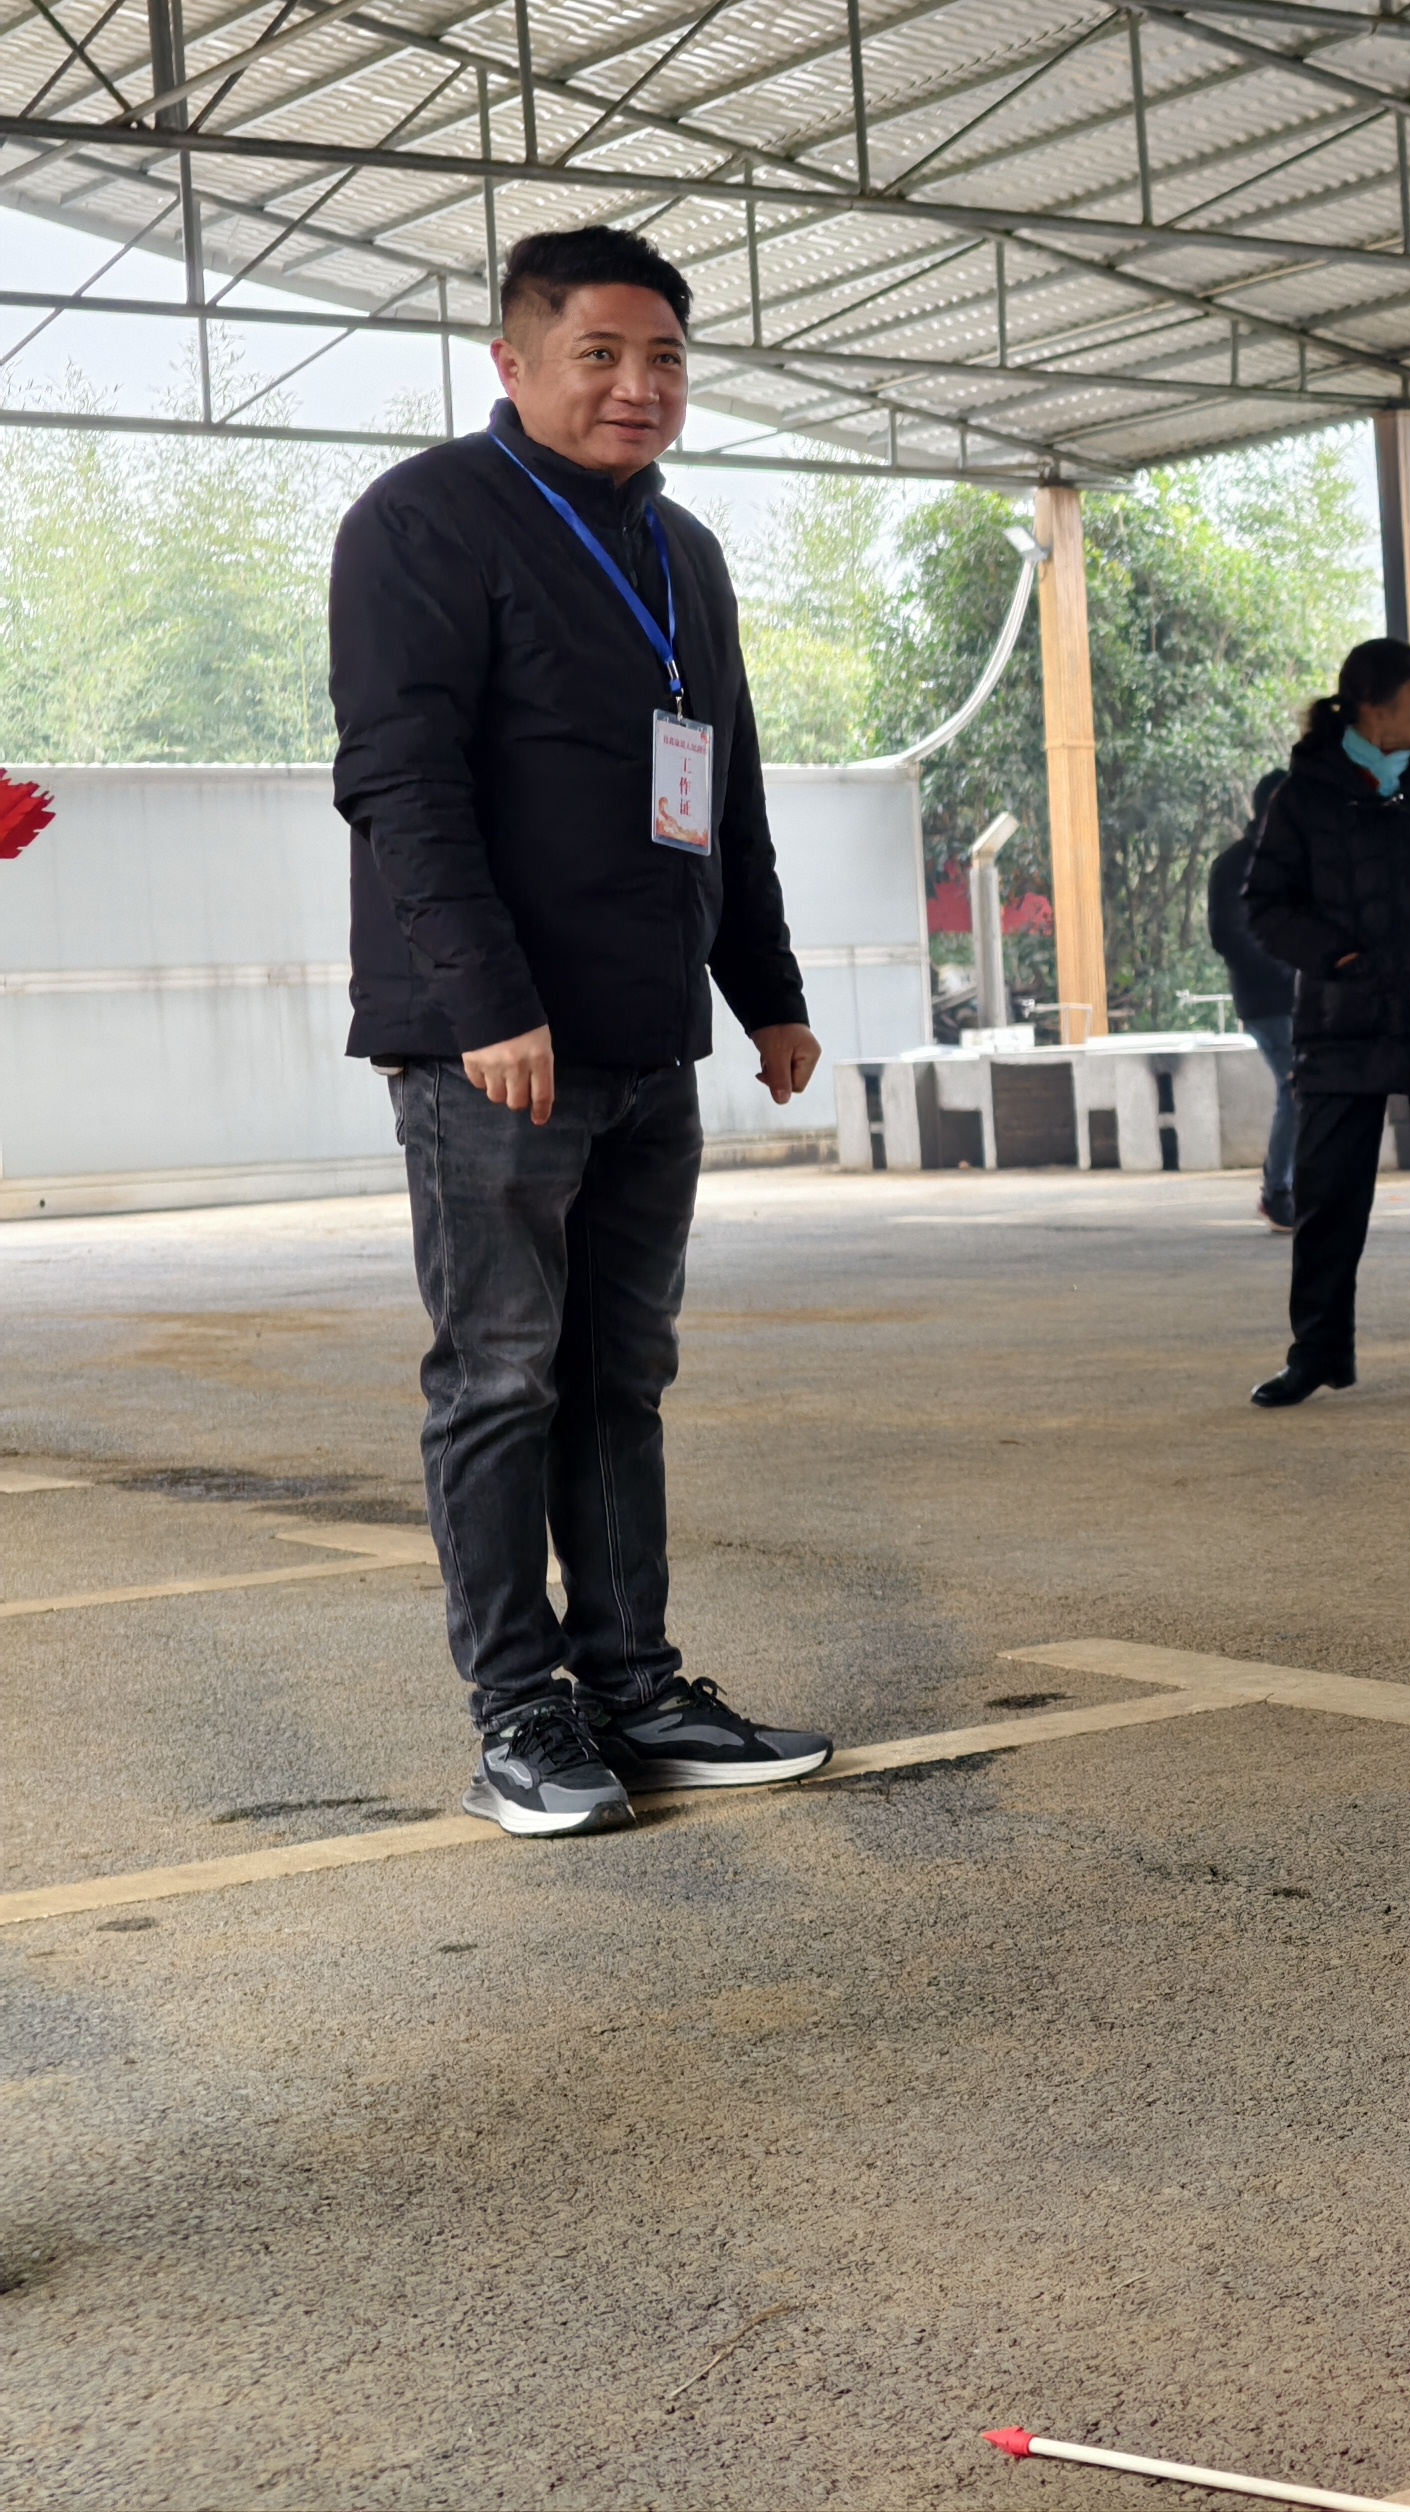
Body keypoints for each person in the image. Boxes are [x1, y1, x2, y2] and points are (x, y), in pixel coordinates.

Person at [330, 224, 833, 1840]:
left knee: (623, 1372)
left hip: (643, 1031)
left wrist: (767, 989)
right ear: (513, 361)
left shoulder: (685, 551)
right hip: (491, 1042)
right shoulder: (423, 519)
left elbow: (723, 787)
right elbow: (401, 779)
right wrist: (488, 1000)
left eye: (665, 357)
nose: (638, 385)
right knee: (501, 1373)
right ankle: (519, 1717)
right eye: (599, 354)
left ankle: (635, 1688)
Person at [1245, 639, 1410, 1404]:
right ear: (1374, 707)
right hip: (1345, 1025)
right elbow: (1264, 907)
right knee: (1328, 1205)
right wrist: (1332, 955)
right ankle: (1316, 1356)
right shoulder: (1302, 800)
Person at [1208, 769, 1302, 1230]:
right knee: (1297, 1086)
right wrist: (1284, 966)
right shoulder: (1233, 866)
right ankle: (1278, 1190)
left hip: (1300, 996)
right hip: (1266, 999)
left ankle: (1291, 1186)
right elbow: (1228, 935)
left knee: (1302, 1088)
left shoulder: (1296, 861)